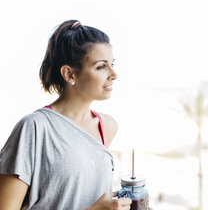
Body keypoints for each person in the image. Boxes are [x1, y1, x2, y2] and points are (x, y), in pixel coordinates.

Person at [0, 20, 145, 210]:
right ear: (69, 74)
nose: (114, 74)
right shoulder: (34, 127)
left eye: (112, 64)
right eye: (101, 66)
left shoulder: (107, 126)